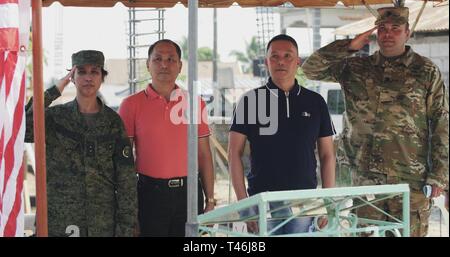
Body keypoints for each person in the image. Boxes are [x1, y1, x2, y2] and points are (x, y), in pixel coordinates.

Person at [302, 7, 449, 237]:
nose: (388, 34)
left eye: (395, 29)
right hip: (364, 177)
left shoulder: (426, 71)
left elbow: (441, 123)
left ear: (407, 33)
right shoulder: (356, 68)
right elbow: (310, 69)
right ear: (376, 33)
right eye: (382, 29)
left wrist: (440, 176)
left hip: (411, 180)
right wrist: (349, 47)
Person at [228, 34, 336, 235]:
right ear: (266, 61)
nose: (281, 61)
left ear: (298, 61)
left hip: (304, 202)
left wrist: (328, 202)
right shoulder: (250, 101)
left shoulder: (315, 102)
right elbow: (234, 153)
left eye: (288, 56)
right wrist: (244, 206)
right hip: (262, 200)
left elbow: (327, 155)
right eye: (274, 56)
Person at [25, 50, 137, 237]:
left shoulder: (113, 122)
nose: (88, 78)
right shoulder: (55, 117)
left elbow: (126, 180)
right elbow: (24, 129)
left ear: (102, 77)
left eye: (94, 72)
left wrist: (126, 228)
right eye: (82, 72)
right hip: (59, 222)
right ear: (72, 77)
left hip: (101, 224)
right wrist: (54, 91)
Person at [118, 39, 215, 237]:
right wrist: (128, 208)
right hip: (149, 194)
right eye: (158, 59)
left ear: (180, 66)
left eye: (171, 59)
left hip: (189, 194)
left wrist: (210, 200)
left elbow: (204, 155)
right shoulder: (130, 105)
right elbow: (123, 162)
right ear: (148, 64)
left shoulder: (195, 103)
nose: (164, 64)